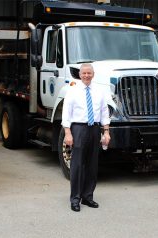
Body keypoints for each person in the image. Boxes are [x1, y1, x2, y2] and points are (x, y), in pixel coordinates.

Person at [61, 63, 111, 212]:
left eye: (89, 73)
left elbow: (104, 112)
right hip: (78, 128)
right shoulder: (73, 91)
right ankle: (75, 199)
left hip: (94, 129)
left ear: (93, 74)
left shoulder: (100, 91)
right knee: (77, 165)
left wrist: (106, 131)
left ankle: (88, 197)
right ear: (80, 75)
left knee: (92, 164)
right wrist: (68, 133)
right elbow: (66, 113)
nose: (87, 75)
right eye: (84, 73)